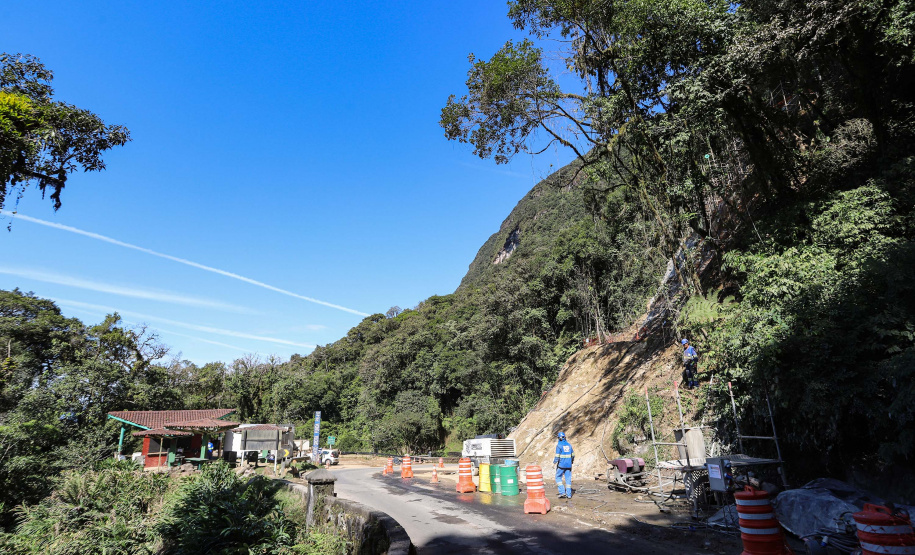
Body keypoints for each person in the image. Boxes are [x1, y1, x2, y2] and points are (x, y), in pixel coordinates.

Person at [553, 431, 574, 499]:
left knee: (558, 477)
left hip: (561, 465)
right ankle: (569, 495)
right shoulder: (569, 445)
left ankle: (562, 492)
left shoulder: (559, 445)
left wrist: (554, 462)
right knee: (568, 479)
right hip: (569, 465)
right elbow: (573, 455)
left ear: (559, 438)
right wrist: (571, 461)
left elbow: (557, 456)